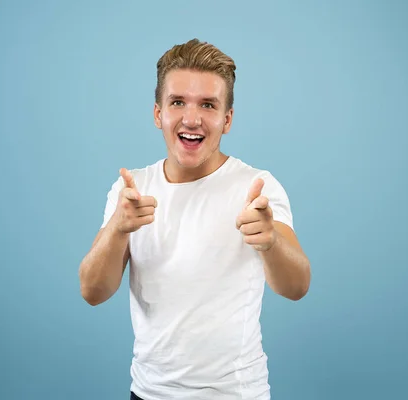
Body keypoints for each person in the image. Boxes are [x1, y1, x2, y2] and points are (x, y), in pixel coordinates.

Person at [79, 38, 311, 400]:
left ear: (227, 119)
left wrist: (270, 241)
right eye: (177, 102)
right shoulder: (132, 190)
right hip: (149, 393)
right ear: (158, 114)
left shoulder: (256, 186)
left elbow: (296, 287)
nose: (191, 118)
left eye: (208, 104)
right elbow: (92, 291)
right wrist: (117, 229)